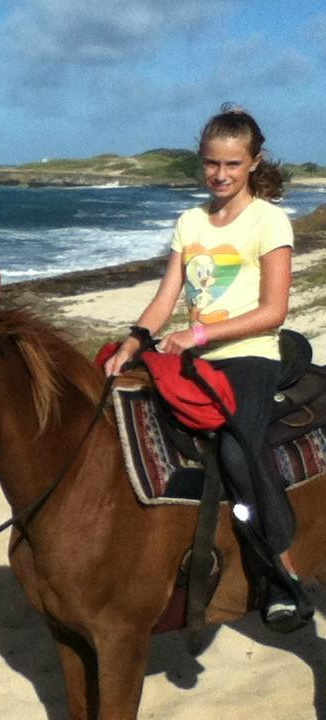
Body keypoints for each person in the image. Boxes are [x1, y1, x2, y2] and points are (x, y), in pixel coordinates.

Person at [104, 105, 308, 631]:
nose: (220, 174)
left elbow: (273, 309)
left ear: (254, 162)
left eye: (233, 164)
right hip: (191, 356)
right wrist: (133, 341)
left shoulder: (269, 219)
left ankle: (284, 574)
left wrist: (197, 334)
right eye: (212, 163)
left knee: (240, 450)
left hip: (251, 353)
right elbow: (166, 296)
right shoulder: (190, 221)